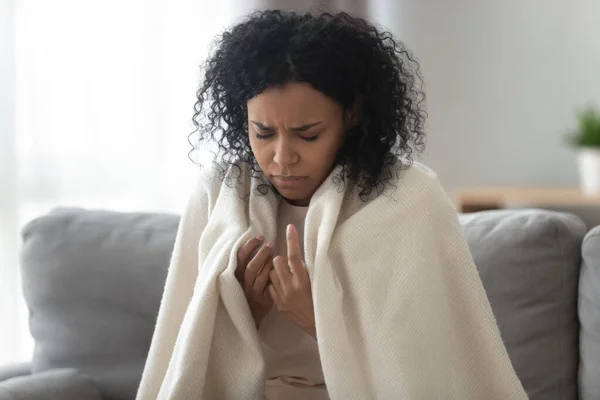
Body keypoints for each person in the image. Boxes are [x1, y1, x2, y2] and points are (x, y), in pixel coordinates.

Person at [136, 10, 528, 400]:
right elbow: (185, 361)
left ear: (351, 115)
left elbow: (421, 369)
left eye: (307, 134)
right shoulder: (217, 196)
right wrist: (243, 312)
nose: (282, 157)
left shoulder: (407, 198)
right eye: (264, 133)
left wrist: (313, 313)